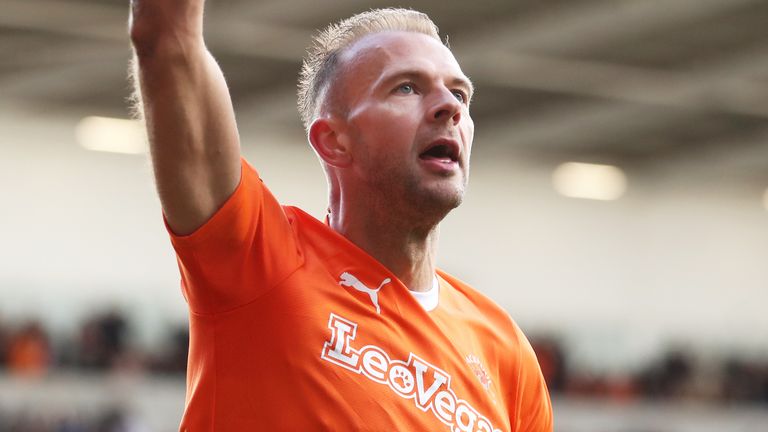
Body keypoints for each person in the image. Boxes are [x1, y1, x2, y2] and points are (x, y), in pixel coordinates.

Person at [129, 3, 553, 431]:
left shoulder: (505, 350)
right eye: (407, 88)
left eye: (459, 94)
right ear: (333, 141)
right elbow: (167, 42)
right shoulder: (261, 262)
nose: (449, 106)